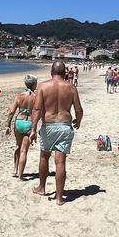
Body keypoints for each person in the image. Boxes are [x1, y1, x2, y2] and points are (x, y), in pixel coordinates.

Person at [30, 61, 84, 205]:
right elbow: (78, 109)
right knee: (61, 162)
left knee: (44, 156)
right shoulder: (71, 87)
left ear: (51, 72)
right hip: (65, 126)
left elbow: (36, 109)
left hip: (48, 126)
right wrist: (78, 121)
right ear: (65, 72)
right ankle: (59, 198)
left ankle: (42, 187)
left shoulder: (42, 86)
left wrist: (34, 129)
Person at [5, 75, 38, 179]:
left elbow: (11, 112)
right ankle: (20, 175)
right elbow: (39, 112)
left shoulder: (19, 96)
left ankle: (15, 170)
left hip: (19, 122)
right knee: (24, 150)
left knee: (18, 147)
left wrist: (8, 125)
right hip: (29, 123)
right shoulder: (36, 97)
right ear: (33, 84)